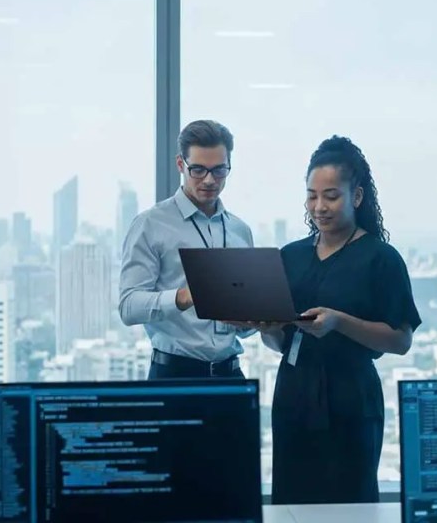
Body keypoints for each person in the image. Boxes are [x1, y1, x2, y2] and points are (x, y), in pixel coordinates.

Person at [261, 135, 421, 504]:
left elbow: (400, 340)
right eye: (312, 195)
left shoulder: (381, 258)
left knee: (350, 503)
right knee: (291, 504)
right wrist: (268, 331)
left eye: (331, 195)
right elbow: (281, 343)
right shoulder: (291, 256)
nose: (319, 206)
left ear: (357, 197)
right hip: (293, 394)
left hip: (350, 400)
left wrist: (339, 321)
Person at [118, 119, 255, 379]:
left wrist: (256, 319)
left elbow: (244, 327)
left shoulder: (240, 230)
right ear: (181, 164)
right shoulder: (150, 224)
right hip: (175, 375)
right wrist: (185, 296)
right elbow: (128, 306)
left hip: (231, 373)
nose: (209, 180)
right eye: (198, 170)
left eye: (219, 170)